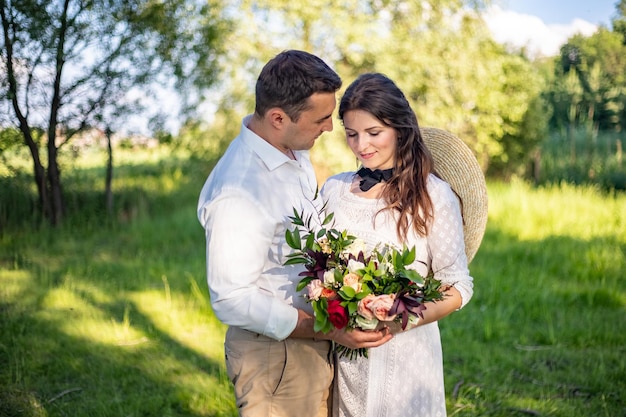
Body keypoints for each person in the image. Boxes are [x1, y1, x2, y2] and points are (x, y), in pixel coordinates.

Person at [197, 51, 393, 417]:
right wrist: (328, 330)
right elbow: (231, 298)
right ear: (277, 118)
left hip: (308, 346)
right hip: (275, 357)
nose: (330, 128)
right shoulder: (240, 191)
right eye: (320, 119)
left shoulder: (291, 152)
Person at [321, 73, 485, 417]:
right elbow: (318, 265)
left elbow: (458, 285)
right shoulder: (333, 191)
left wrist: (402, 317)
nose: (361, 145)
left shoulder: (433, 195)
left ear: (401, 128)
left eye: (373, 133)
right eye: (351, 134)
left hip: (408, 362)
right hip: (347, 359)